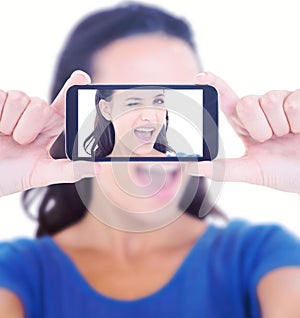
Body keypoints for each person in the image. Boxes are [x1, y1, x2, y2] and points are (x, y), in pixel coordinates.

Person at [0, 2, 300, 317]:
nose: (150, 114)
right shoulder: (18, 270)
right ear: (103, 108)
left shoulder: (259, 254)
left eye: (162, 97)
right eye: (132, 97)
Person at [83, 87, 175, 158]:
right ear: (106, 110)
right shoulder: (86, 174)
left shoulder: (182, 170)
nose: (150, 116)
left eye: (158, 101)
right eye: (133, 103)